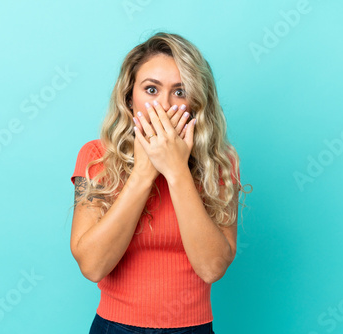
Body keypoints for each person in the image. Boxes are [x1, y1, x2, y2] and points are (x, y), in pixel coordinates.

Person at [69, 31, 251, 333]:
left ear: (196, 102)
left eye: (180, 92)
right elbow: (92, 266)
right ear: (130, 97)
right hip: (116, 327)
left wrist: (176, 169)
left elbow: (212, 267)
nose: (164, 105)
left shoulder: (219, 162)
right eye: (151, 89)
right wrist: (144, 172)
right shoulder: (97, 156)